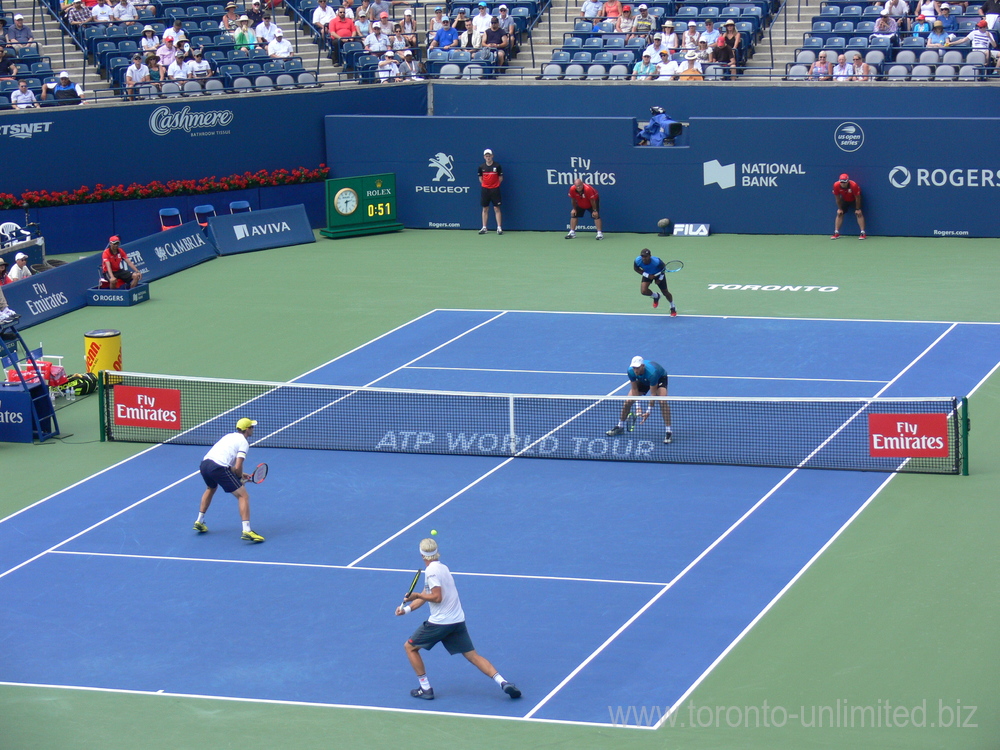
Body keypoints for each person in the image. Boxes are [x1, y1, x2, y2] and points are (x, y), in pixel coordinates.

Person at [396, 537, 521, 701]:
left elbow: (436, 597)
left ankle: (425, 688)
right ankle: (503, 682)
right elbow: (428, 595)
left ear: (421, 555)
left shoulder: (431, 572)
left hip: (440, 623)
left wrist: (416, 595)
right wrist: (406, 610)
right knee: (473, 656)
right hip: (457, 621)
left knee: (410, 648)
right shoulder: (443, 568)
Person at [194, 418, 264, 543]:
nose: (253, 429)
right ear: (247, 429)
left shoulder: (228, 436)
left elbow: (226, 464)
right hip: (218, 468)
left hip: (205, 465)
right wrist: (238, 476)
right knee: (243, 496)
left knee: (211, 488)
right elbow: (237, 466)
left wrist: (241, 475)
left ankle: (199, 520)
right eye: (252, 427)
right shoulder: (244, 442)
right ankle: (247, 530)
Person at [606, 355, 673, 443]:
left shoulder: (653, 373)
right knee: (628, 402)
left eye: (637, 368)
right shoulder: (631, 371)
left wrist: (648, 411)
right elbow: (634, 389)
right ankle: (620, 427)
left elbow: (653, 394)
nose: (635, 370)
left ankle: (668, 431)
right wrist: (638, 407)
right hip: (642, 380)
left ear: (642, 366)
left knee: (662, 401)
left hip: (659, 378)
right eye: (634, 368)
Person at [632, 247, 676, 315]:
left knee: (665, 292)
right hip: (647, 274)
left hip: (659, 274)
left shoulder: (657, 261)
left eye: (646, 256)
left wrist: (659, 279)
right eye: (642, 256)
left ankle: (672, 307)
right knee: (644, 291)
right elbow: (636, 269)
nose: (644, 258)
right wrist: (647, 275)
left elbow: (664, 269)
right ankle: (656, 296)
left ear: (650, 256)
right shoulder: (637, 260)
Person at [831, 173, 866, 240]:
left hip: (854, 200)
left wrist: (857, 208)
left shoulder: (854, 185)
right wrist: (840, 208)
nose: (843, 184)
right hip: (844, 200)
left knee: (859, 214)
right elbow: (837, 198)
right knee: (839, 213)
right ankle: (836, 232)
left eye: (844, 182)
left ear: (848, 181)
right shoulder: (836, 185)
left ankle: (862, 233)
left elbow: (858, 198)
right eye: (841, 182)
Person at [478, 148, 503, 235]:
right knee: (485, 208)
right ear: (484, 157)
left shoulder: (497, 166)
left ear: (492, 156)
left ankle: (499, 228)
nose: (488, 157)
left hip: (495, 190)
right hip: (485, 190)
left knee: (496, 208)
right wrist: (485, 185)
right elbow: (480, 178)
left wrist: (495, 185)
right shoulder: (481, 167)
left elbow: (500, 177)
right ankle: (484, 227)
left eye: (489, 156)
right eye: (486, 156)